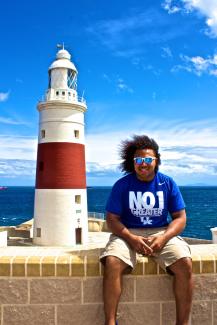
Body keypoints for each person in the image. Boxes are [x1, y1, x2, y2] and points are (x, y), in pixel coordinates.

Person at [100, 135, 193, 325]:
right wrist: (132, 238)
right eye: (139, 160)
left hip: (161, 231)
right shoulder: (122, 185)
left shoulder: (167, 183)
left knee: (185, 263)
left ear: (156, 160)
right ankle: (110, 322)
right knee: (112, 262)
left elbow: (180, 218)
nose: (143, 164)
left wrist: (164, 238)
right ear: (133, 163)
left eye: (148, 159)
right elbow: (112, 219)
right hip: (127, 232)